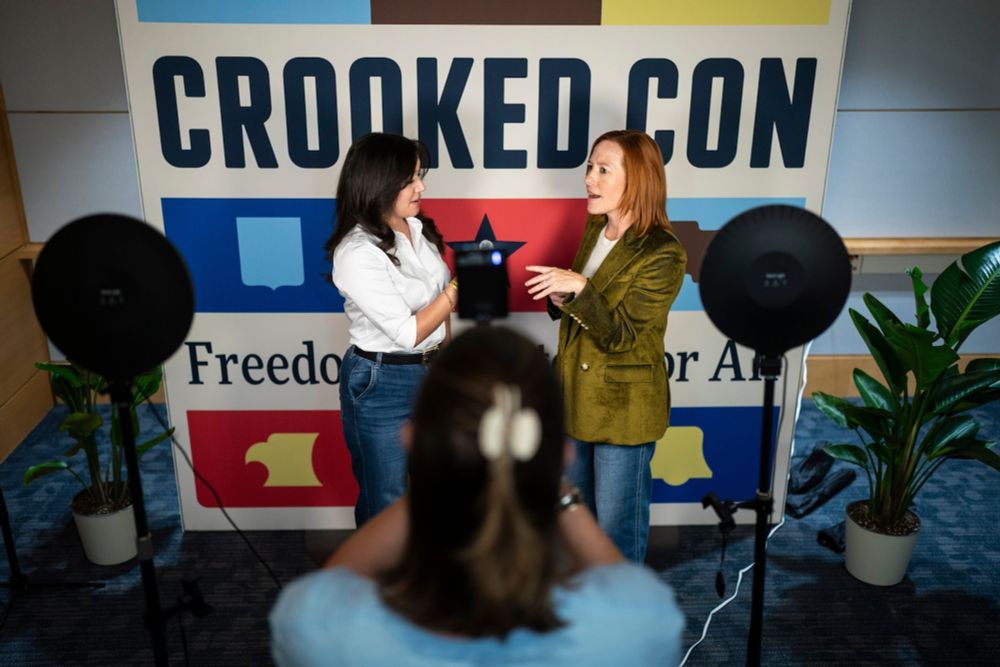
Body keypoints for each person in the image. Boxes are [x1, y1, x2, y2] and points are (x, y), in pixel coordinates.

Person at [270, 326, 683, 667]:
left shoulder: (319, 629)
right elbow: (628, 584)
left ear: (412, 439)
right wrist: (560, 493)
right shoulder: (640, 624)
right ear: (563, 453)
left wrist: (436, 477)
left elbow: (333, 584)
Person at [525, 130, 687, 563]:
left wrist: (580, 287)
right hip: (574, 400)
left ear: (637, 180)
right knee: (577, 520)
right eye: (589, 168)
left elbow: (622, 335)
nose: (588, 179)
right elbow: (585, 306)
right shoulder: (598, 225)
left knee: (616, 530)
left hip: (623, 411)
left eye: (602, 170)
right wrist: (562, 297)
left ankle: (621, 602)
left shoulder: (664, 252)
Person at [325, 132, 458, 526]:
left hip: (432, 373)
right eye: (410, 179)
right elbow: (407, 332)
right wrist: (458, 289)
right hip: (381, 382)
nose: (422, 187)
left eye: (419, 176)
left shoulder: (416, 227)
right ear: (379, 182)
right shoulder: (356, 251)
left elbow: (438, 305)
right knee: (386, 501)